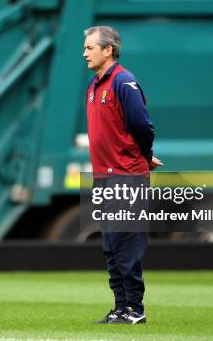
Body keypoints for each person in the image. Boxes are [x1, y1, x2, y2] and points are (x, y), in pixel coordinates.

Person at [83, 26, 162, 324]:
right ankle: (120, 307)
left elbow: (143, 127)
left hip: (126, 177)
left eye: (90, 47)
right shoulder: (93, 86)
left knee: (127, 245)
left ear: (108, 50)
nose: (85, 53)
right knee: (111, 246)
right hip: (104, 177)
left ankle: (135, 310)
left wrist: (142, 155)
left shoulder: (123, 81)